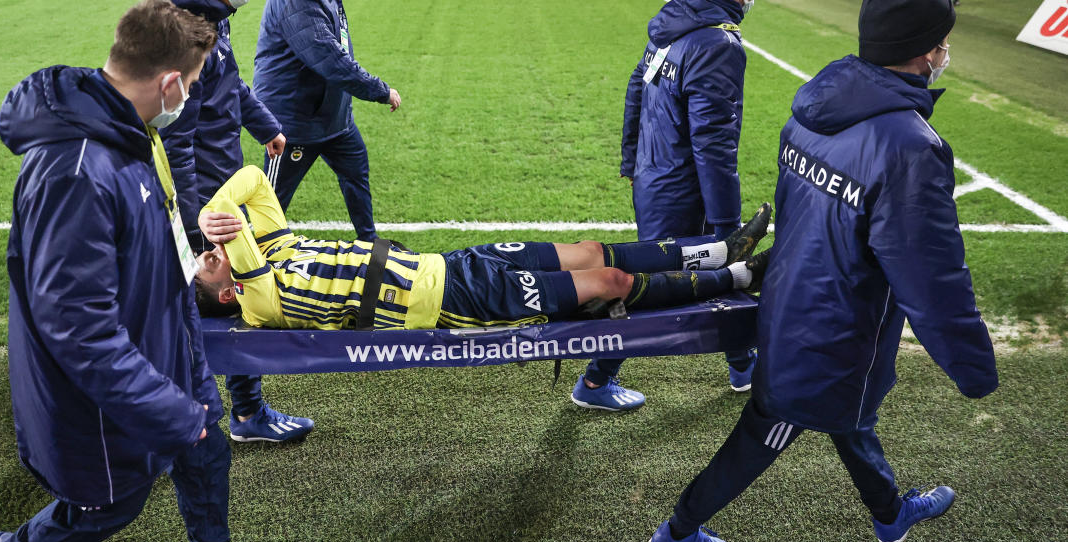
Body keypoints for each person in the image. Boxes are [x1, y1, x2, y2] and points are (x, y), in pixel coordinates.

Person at [647, 0, 998, 542]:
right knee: (770, 430)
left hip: (794, 303)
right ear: (926, 52)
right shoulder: (912, 145)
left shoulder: (813, 105)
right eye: (942, 42)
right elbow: (932, 278)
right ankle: (678, 531)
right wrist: (974, 368)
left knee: (851, 417)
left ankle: (890, 514)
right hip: (834, 329)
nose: (944, 53)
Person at [0, 0, 295, 542]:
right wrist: (170, 409)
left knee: (207, 451)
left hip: (169, 341)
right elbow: (80, 332)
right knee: (112, 505)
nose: (194, 99)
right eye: (195, 85)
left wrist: (194, 277)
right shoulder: (75, 173)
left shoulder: (130, 131)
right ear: (171, 82)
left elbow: (146, 241)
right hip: (112, 386)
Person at [192, 166, 772, 335]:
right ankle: (742, 277)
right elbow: (232, 230)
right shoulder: (258, 300)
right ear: (224, 292)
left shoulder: (274, 251)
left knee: (592, 248)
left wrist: (209, 209)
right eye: (207, 261)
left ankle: (722, 250)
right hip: (457, 299)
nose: (209, 250)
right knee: (609, 284)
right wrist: (212, 223)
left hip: (456, 262)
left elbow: (252, 181)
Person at [146, 0, 316, 444]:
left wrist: (266, 126)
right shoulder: (182, 34)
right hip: (205, 192)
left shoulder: (206, 14)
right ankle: (234, 415)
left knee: (214, 298)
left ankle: (236, 410)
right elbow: (179, 140)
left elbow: (231, 84)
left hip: (218, 180)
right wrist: (199, 219)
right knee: (224, 297)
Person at [594, 0, 766, 413]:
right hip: (684, 188)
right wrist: (728, 222)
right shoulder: (718, 43)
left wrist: (632, 162)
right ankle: (595, 378)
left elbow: (636, 89)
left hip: (655, 176)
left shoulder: (673, 24)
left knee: (718, 275)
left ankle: (744, 365)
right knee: (653, 288)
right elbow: (713, 143)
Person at [252, 0, 401, 243]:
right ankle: (253, 264)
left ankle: (370, 244)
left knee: (356, 176)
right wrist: (378, 89)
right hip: (292, 123)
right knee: (272, 203)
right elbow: (329, 58)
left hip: (334, 118)